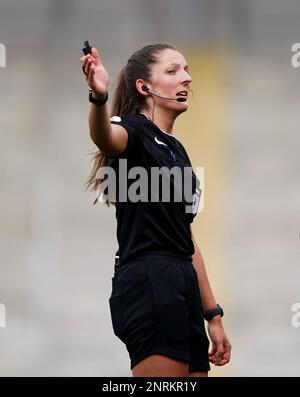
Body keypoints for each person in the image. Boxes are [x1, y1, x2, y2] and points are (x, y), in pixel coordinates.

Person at [80, 43, 231, 377]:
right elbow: (105, 137)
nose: (187, 78)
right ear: (144, 87)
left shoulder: (178, 153)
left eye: (187, 69)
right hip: (150, 280)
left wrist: (213, 316)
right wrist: (99, 96)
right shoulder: (132, 130)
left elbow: (187, 239)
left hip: (183, 284)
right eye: (173, 71)